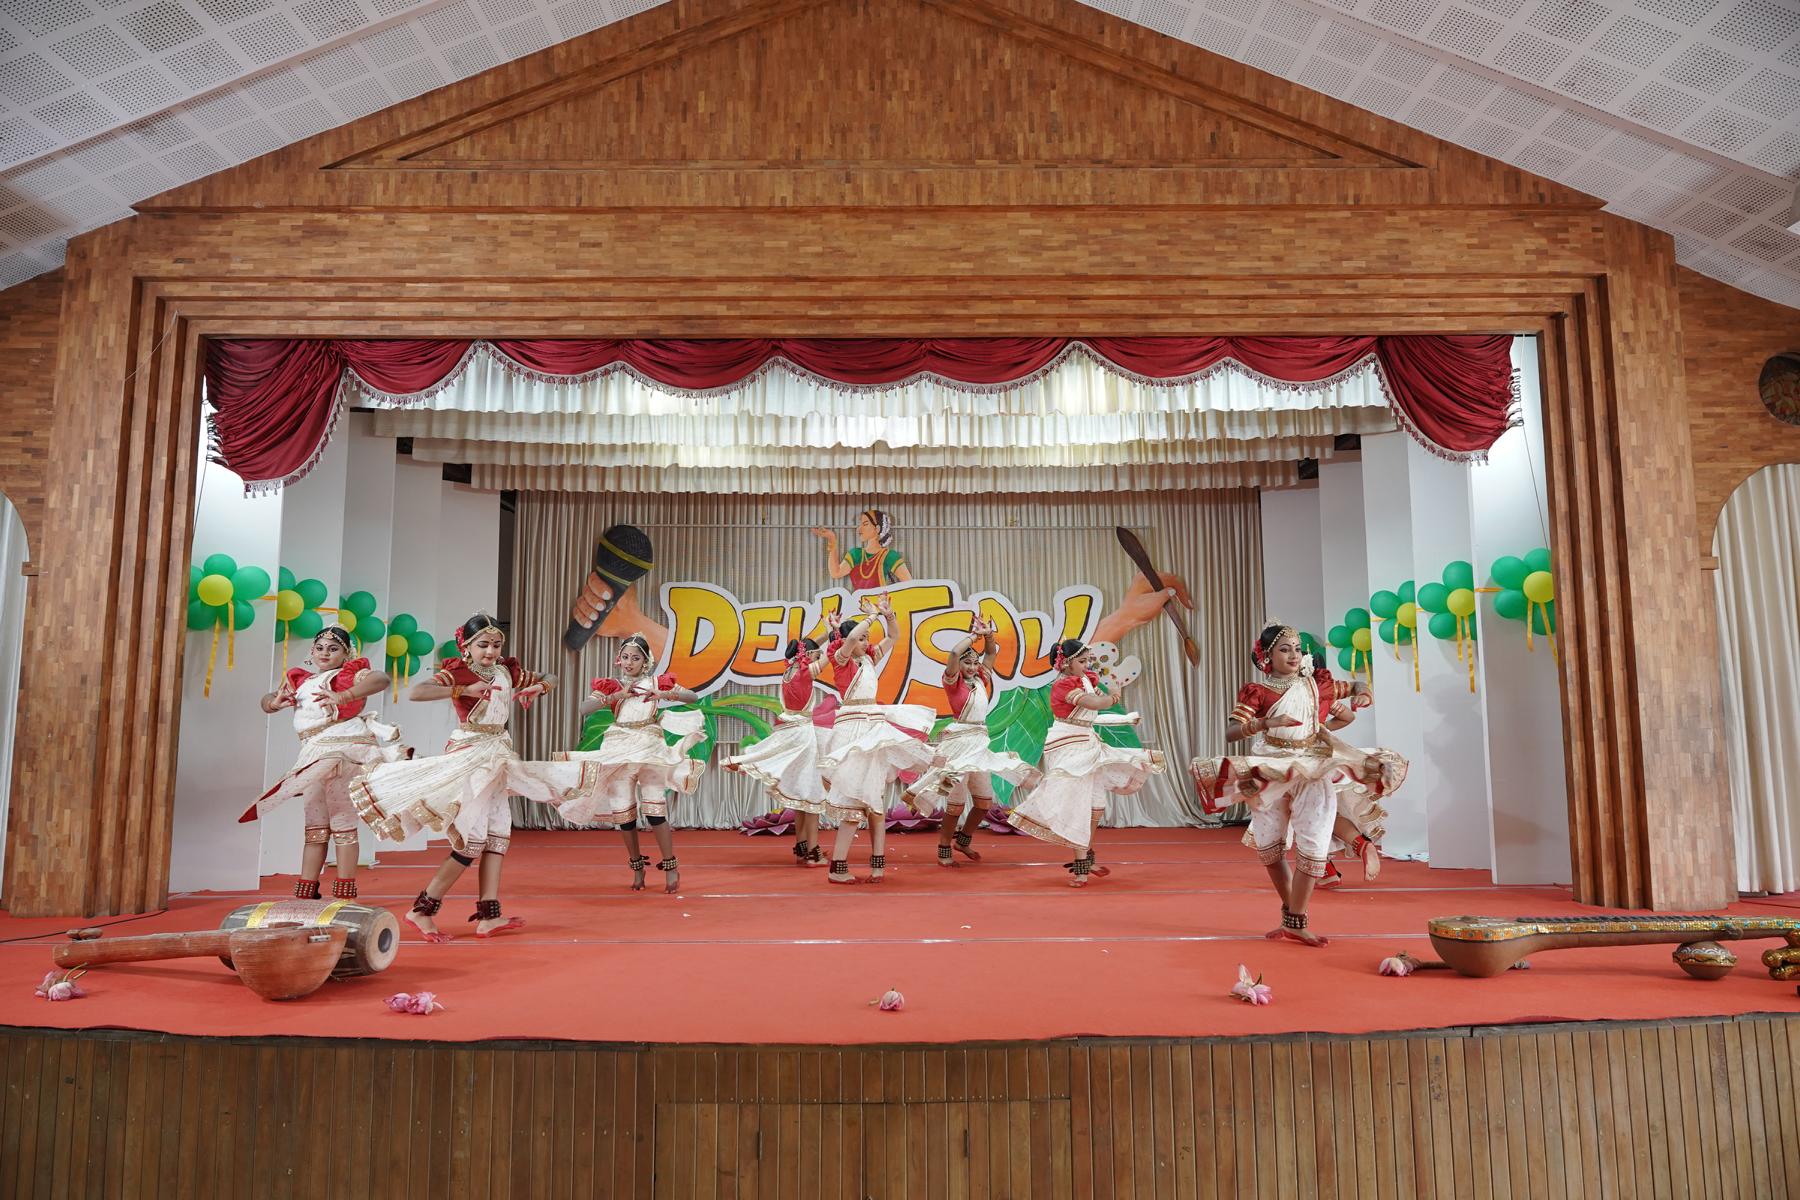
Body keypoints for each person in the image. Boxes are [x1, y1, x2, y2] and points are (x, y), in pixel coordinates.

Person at [351, 612, 581, 940]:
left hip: (498, 755)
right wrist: (462, 689)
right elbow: (418, 692)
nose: (491, 651)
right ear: (467, 646)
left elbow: (551, 676)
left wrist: (540, 687)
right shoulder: (459, 671)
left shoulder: (505, 670)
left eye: (496, 644)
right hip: (471, 755)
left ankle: (489, 916)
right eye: (483, 644)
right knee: (471, 842)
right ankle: (421, 910)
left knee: (498, 836)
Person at [1191, 624, 1407, 947]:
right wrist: (1266, 722)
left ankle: (1297, 919)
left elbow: (1356, 685)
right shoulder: (1257, 692)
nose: (1294, 655)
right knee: (1269, 846)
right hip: (1271, 767)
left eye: (1297, 648)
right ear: (1267, 656)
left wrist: (1363, 693)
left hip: (1311, 768)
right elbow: (1231, 732)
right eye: (1284, 649)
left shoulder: (1317, 684)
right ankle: (1292, 919)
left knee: (1314, 842)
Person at [241, 626, 405, 899]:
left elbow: (381, 679)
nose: (325, 653)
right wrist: (273, 703)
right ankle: (307, 889)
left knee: (342, 821)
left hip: (343, 752)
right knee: (315, 825)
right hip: (313, 756)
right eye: (320, 648)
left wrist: (344, 695)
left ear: (346, 653)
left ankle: (344, 892)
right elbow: (266, 700)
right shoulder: (302, 680)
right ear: (312, 651)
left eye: (333, 648)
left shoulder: (348, 675)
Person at [1007, 638, 1163, 886]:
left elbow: (1092, 715)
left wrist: (1124, 718)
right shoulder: (1063, 685)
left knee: (1095, 807)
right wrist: (1114, 696)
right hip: (1068, 745)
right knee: (1078, 805)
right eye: (1082, 661)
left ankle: (1087, 858)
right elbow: (1095, 704)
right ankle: (1081, 869)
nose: (1087, 664)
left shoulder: (1086, 680)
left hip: (1087, 741)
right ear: (1066, 663)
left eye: (1088, 660)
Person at [560, 633, 706, 894]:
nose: (629, 662)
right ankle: (637, 867)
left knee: (654, 810)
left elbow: (693, 697)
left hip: (649, 748)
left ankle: (671, 866)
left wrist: (664, 693)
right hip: (618, 749)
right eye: (625, 657)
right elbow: (584, 708)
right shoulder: (612, 685)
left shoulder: (655, 682)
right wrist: (617, 696)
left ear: (645, 661)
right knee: (624, 814)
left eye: (635, 658)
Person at [817, 595, 938, 883]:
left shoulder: (868, 658)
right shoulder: (841, 659)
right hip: (852, 731)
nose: (865, 641)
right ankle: (838, 868)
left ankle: (878, 865)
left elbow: (893, 636)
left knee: (875, 800)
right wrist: (871, 616)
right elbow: (851, 638)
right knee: (854, 801)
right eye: (862, 638)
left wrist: (888, 614)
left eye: (866, 638)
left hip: (872, 728)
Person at [907, 616, 1040, 867]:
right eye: (966, 662)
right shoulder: (952, 683)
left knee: (983, 802)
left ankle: (963, 840)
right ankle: (943, 848)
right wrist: (974, 636)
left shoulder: (980, 680)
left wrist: (988, 635)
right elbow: (953, 653)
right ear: (959, 664)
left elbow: (991, 653)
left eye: (974, 663)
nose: (971, 666)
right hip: (958, 749)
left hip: (978, 747)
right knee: (954, 803)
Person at [721, 637, 832, 867]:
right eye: (816, 654)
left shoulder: (789, 671)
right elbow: (832, 655)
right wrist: (835, 636)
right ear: (808, 655)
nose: (818, 657)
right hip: (803, 736)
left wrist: (824, 634)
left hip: (792, 732)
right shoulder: (805, 673)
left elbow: (808, 646)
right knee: (812, 795)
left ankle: (802, 849)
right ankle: (813, 854)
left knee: (801, 796)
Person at [811, 509, 911, 592]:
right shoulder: (855, 554)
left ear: (877, 529)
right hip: (858, 606)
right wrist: (831, 538)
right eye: (860, 525)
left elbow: (910, 585)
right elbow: (835, 573)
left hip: (880, 607)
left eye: (865, 524)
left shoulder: (889, 555)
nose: (859, 529)